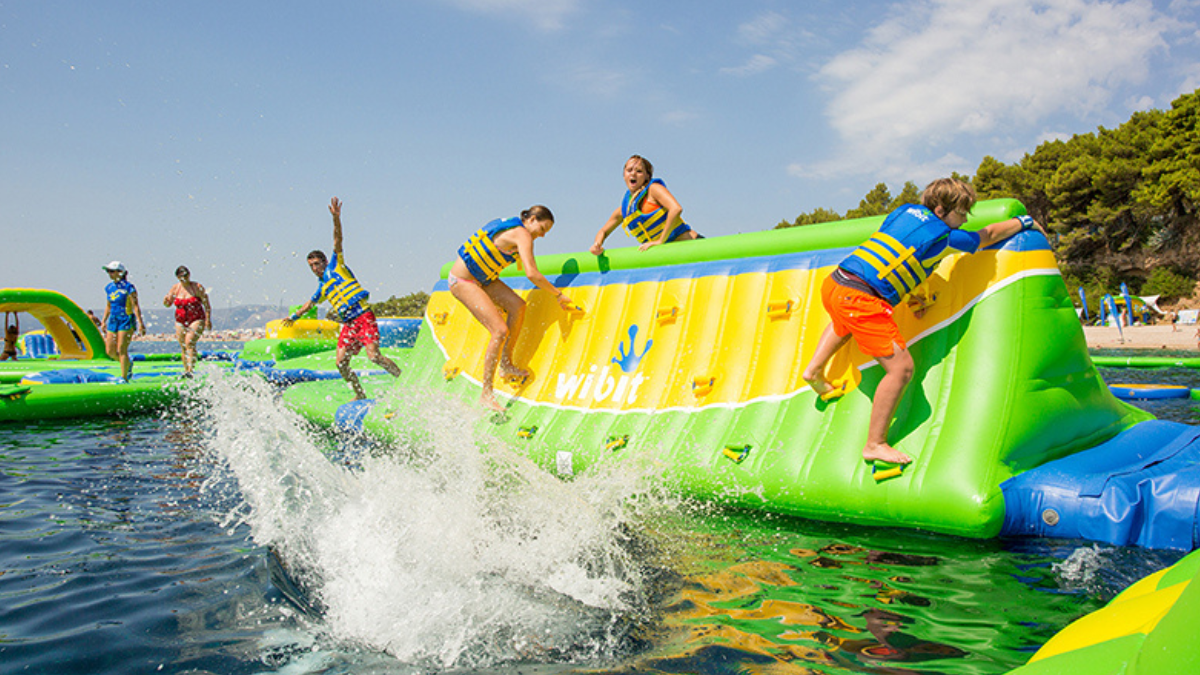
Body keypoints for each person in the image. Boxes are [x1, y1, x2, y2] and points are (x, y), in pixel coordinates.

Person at [801, 178, 1045, 466]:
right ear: (941, 210)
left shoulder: (903, 212)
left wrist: (915, 293)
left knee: (844, 323)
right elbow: (986, 235)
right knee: (901, 369)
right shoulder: (942, 236)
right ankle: (875, 444)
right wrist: (1024, 221)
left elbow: (902, 257)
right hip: (860, 298)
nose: (965, 219)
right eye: (962, 213)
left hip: (836, 284)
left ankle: (815, 371)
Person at [449, 205, 573, 412]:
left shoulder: (515, 231)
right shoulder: (522, 234)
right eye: (542, 229)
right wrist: (558, 294)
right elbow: (531, 273)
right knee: (499, 330)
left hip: (483, 280)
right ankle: (486, 394)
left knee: (518, 306)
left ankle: (506, 363)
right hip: (463, 281)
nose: (542, 235)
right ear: (532, 219)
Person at [283, 197, 403, 400]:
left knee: (373, 356)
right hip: (349, 324)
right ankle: (359, 393)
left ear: (325, 261)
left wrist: (336, 219)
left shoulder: (336, 265)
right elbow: (309, 304)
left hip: (363, 317)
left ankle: (402, 379)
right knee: (340, 363)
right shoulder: (322, 288)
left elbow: (338, 239)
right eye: (311, 265)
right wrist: (294, 317)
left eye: (317, 263)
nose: (315, 268)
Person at [590, 155, 702, 255]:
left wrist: (660, 241)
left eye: (639, 171)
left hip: (693, 245)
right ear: (624, 175)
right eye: (629, 170)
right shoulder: (623, 211)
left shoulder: (653, 190)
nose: (633, 173)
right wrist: (597, 245)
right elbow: (603, 231)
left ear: (647, 177)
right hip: (670, 254)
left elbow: (676, 209)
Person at [163, 265, 212, 378]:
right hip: (180, 319)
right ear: (177, 277)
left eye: (185, 275)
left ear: (189, 275)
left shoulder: (197, 287)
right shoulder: (175, 288)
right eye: (181, 276)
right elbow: (167, 305)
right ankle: (186, 370)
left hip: (196, 318)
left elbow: (206, 305)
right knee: (183, 345)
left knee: (189, 343)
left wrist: (208, 320)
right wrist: (165, 300)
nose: (184, 278)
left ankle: (191, 370)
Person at [101, 261, 146, 382]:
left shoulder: (128, 287)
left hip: (126, 319)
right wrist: (103, 320)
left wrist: (140, 323)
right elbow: (108, 305)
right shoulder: (109, 288)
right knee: (110, 351)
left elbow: (135, 305)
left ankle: (124, 377)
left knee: (122, 349)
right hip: (113, 319)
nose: (109, 274)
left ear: (119, 272)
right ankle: (128, 363)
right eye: (108, 271)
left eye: (111, 271)